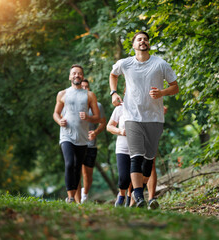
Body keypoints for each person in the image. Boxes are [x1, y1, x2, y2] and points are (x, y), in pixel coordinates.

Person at [109, 31, 179, 208]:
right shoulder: (125, 63)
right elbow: (113, 74)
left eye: (145, 39)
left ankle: (136, 194)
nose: (143, 41)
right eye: (139, 39)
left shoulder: (160, 64)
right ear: (133, 45)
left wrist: (162, 92)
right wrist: (114, 92)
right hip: (132, 117)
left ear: (149, 44)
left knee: (148, 161)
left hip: (154, 118)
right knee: (136, 157)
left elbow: (175, 87)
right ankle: (139, 197)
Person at [53, 64, 100, 204]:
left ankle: (75, 196)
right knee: (69, 163)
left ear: (83, 76)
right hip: (66, 135)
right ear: (69, 77)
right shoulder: (62, 94)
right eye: (74, 73)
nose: (76, 75)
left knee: (77, 167)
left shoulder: (90, 95)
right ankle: (70, 197)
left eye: (79, 73)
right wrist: (59, 121)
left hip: (82, 137)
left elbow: (97, 117)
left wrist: (88, 117)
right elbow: (56, 113)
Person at [74, 79, 106, 203]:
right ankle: (76, 200)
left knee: (88, 174)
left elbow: (103, 123)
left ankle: (85, 194)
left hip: (90, 144)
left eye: (87, 87)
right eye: (82, 87)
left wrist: (95, 132)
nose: (85, 89)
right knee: (76, 171)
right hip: (76, 143)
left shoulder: (97, 106)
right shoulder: (72, 105)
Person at [106, 97, 131, 207]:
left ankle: (130, 198)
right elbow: (109, 126)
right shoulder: (120, 108)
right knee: (124, 177)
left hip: (138, 148)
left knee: (134, 175)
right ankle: (121, 195)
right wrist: (120, 131)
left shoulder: (142, 106)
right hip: (122, 148)